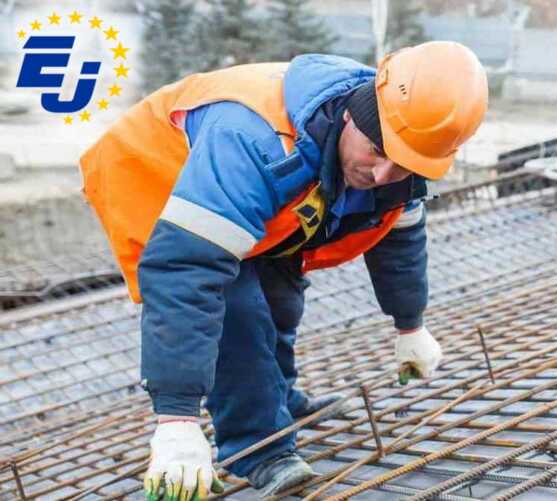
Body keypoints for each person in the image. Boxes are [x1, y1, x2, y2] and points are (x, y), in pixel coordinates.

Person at [78, 41, 488, 499]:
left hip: (252, 192)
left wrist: (410, 324)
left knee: (280, 295)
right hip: (157, 178)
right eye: (376, 150)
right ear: (352, 115)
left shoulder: (402, 142)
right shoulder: (253, 139)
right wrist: (176, 419)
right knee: (237, 310)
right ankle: (258, 447)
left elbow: (400, 237)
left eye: (404, 165)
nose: (381, 174)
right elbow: (185, 273)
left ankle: (278, 399)